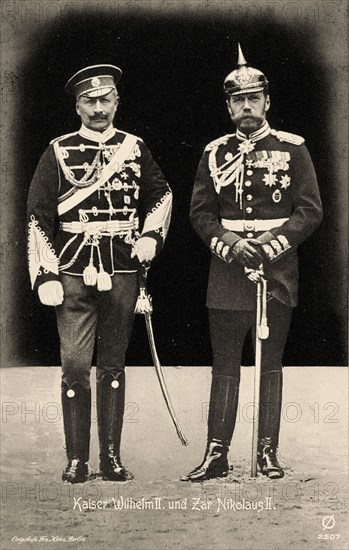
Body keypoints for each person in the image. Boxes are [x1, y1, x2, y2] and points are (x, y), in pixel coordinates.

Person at [181, 45, 322, 481]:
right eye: (237, 100)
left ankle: (267, 451)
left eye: (253, 98)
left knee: (271, 361)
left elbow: (310, 211)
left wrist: (271, 244)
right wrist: (227, 243)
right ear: (228, 106)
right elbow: (200, 213)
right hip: (226, 274)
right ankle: (216, 453)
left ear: (267, 101)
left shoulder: (292, 149)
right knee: (224, 364)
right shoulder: (213, 153)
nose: (246, 106)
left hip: (276, 273)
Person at [27, 64, 172, 483]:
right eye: (88, 101)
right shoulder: (58, 150)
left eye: (104, 100)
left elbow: (160, 194)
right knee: (74, 365)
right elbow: (38, 216)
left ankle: (109, 458)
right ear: (77, 106)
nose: (97, 108)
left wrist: (150, 237)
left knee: (112, 366)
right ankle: (77, 459)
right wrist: (45, 274)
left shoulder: (135, 147)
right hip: (73, 269)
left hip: (123, 269)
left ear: (116, 102)